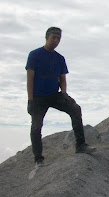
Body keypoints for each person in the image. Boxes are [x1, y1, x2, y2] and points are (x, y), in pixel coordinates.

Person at [26, 27, 95, 167]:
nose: (56, 41)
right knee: (36, 126)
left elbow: (62, 79)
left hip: (54, 95)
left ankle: (81, 145)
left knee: (75, 109)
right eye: (54, 38)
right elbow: (30, 79)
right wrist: (30, 100)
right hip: (38, 98)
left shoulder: (59, 58)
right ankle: (38, 159)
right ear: (47, 37)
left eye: (58, 38)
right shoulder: (35, 55)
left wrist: (64, 94)